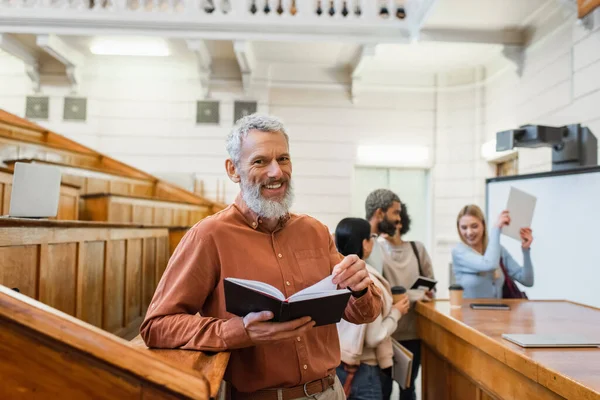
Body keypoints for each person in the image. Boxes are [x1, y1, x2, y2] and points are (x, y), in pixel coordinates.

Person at [140, 114, 382, 399]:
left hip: (330, 391)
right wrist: (238, 331)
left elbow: (365, 313)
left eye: (283, 159)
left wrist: (360, 288)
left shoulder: (315, 231)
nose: (276, 172)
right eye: (260, 161)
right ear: (233, 169)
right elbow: (157, 326)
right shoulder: (209, 236)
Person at [334, 217, 410, 400]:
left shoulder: (333, 273)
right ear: (364, 244)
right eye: (372, 237)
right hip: (363, 370)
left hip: (337, 365)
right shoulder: (365, 281)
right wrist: (396, 312)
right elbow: (374, 336)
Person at [373, 196, 434, 400]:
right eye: (394, 216)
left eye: (400, 217)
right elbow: (377, 289)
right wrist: (415, 295)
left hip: (413, 333)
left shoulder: (418, 248)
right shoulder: (376, 248)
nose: (397, 222)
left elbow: (430, 286)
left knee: (408, 389)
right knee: (383, 391)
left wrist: (423, 294)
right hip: (385, 333)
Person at [451, 204, 534, 299]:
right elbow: (489, 264)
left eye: (474, 226)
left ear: (483, 225)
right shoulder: (459, 252)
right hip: (470, 313)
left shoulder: (497, 249)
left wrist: (525, 250)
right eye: (464, 228)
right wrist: (496, 228)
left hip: (498, 312)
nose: (469, 232)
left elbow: (527, 281)